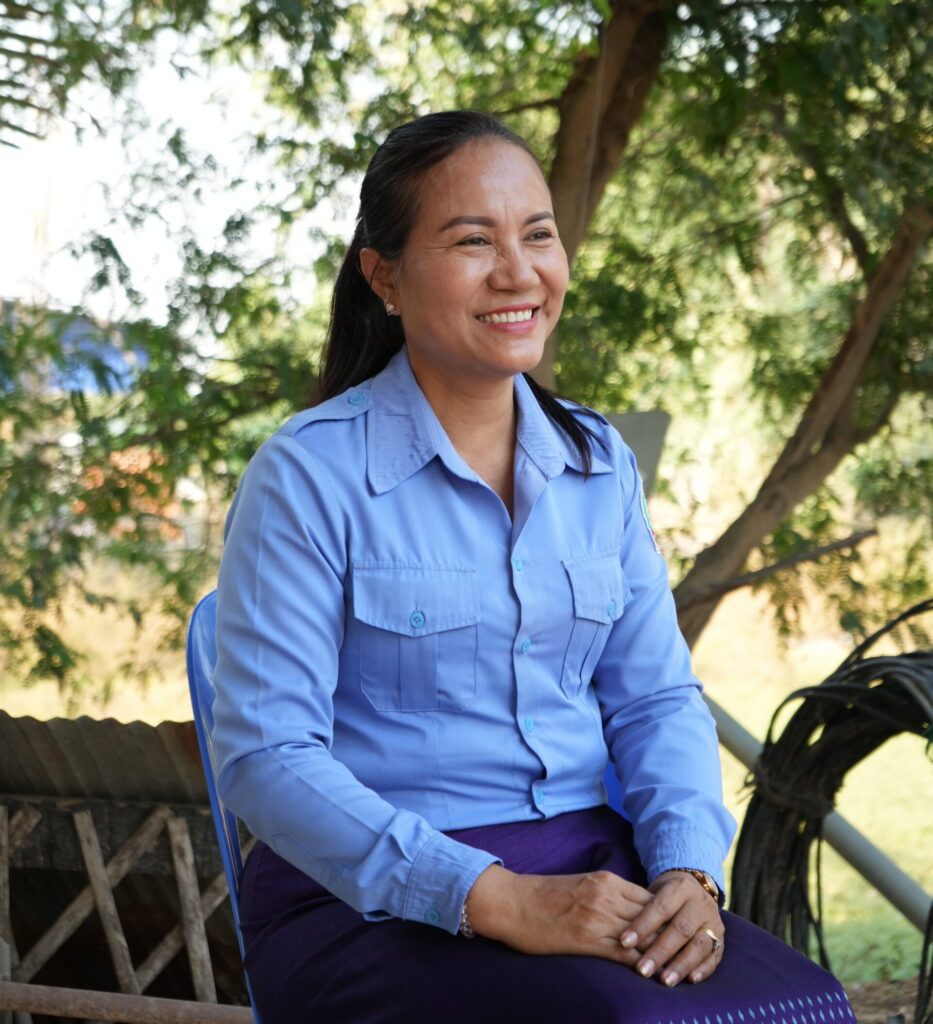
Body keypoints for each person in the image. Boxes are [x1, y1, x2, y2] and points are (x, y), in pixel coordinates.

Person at [211, 110, 856, 1023]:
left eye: (537, 235)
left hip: (596, 872)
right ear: (383, 276)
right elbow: (267, 758)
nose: (518, 272)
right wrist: (499, 898)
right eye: (473, 240)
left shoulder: (600, 464)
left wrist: (684, 869)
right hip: (363, 901)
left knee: (808, 1006)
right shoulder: (306, 475)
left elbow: (656, 699)